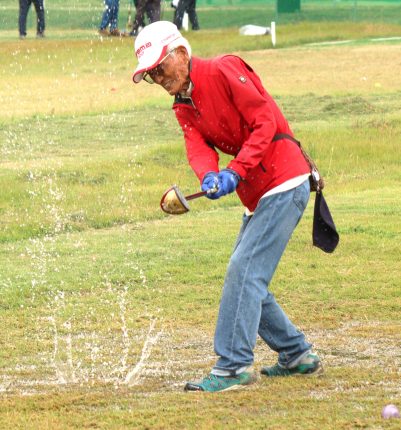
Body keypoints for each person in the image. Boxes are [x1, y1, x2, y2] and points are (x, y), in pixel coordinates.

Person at [132, 21, 324, 392]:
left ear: (183, 54)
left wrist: (234, 171)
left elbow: (264, 121)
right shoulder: (182, 105)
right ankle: (297, 355)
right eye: (151, 73)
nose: (158, 77)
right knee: (247, 278)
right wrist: (208, 174)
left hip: (284, 179)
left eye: (160, 66)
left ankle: (233, 366)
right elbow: (198, 147)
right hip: (258, 191)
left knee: (244, 270)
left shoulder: (223, 68)